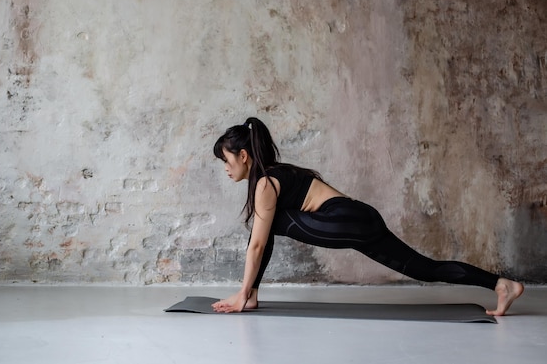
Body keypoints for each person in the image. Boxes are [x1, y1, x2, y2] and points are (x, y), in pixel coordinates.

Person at [210, 117, 524, 316]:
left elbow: (256, 247)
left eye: (226, 160)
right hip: (359, 219)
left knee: (270, 224)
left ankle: (247, 295)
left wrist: (241, 295)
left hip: (346, 219)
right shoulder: (275, 176)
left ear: (244, 156)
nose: (225, 168)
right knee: (425, 269)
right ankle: (501, 285)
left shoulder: (265, 183)